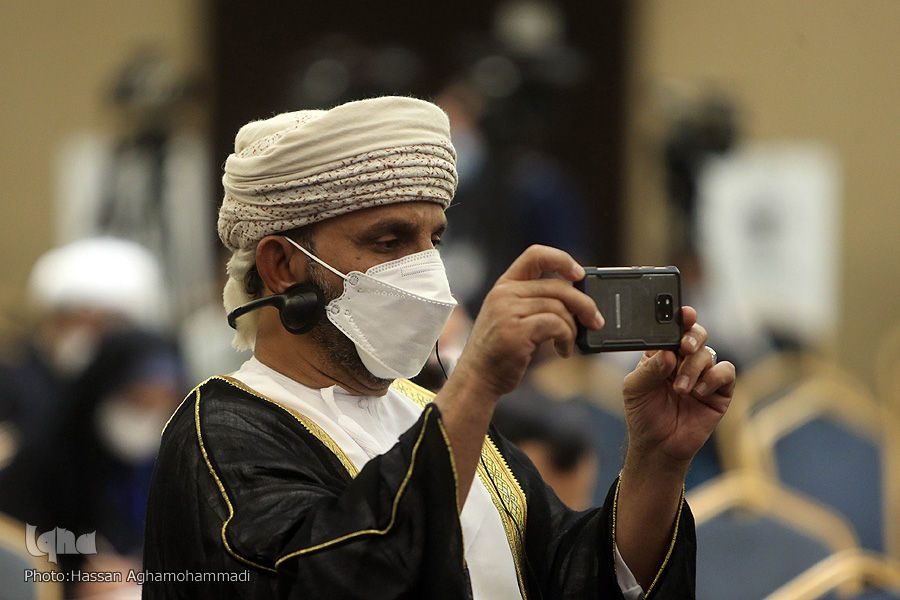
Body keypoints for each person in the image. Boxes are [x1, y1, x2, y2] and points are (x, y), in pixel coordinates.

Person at [142, 96, 736, 599]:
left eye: (434, 240)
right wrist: (477, 381)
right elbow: (343, 578)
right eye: (389, 241)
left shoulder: (427, 406)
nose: (426, 270)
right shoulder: (220, 431)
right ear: (282, 266)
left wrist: (657, 459)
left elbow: (567, 574)